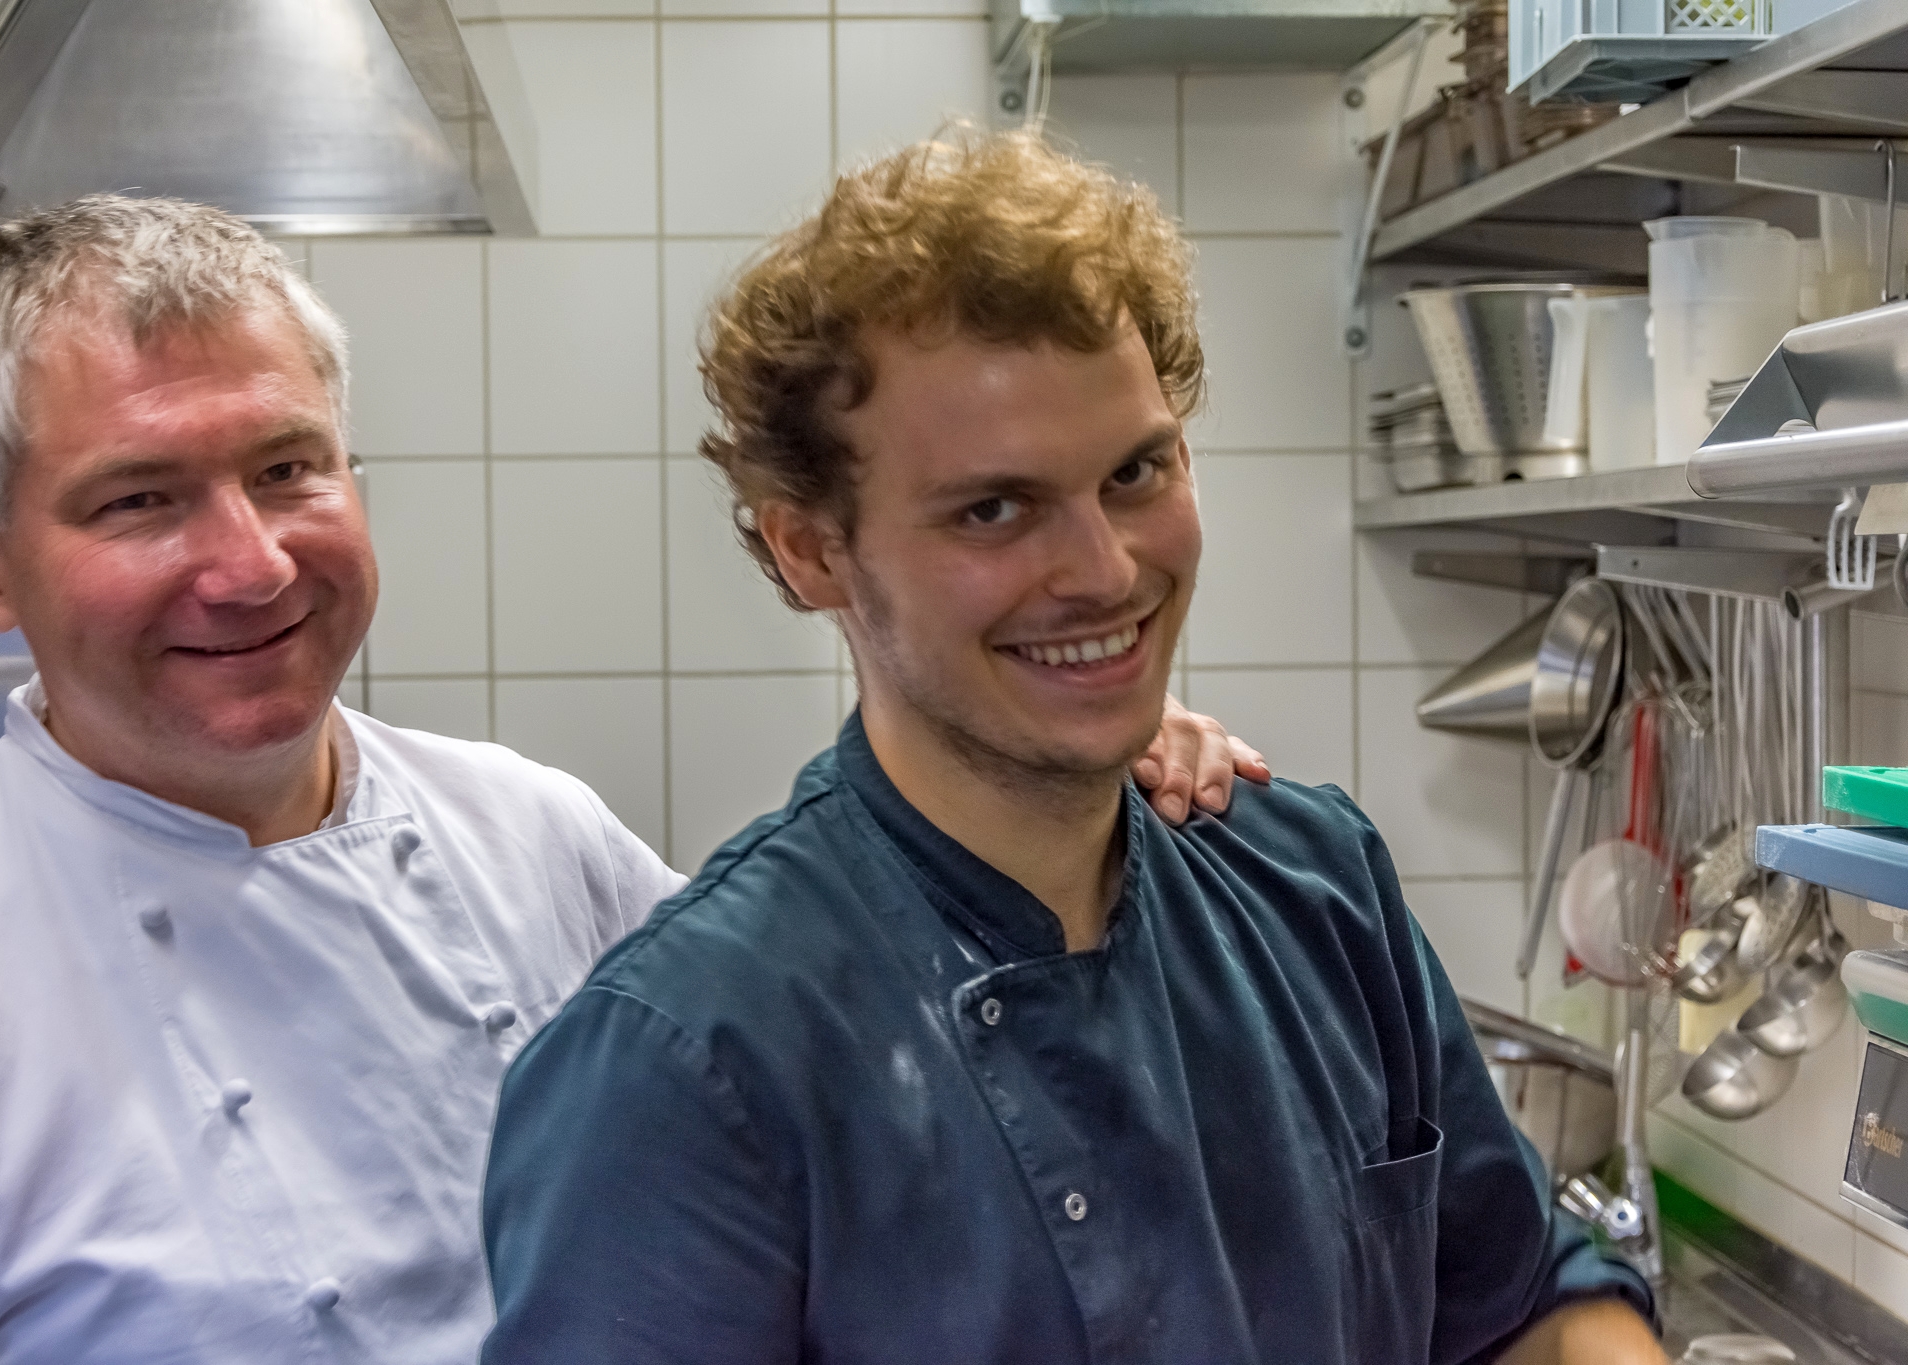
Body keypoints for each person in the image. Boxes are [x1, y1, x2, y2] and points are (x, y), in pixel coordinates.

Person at [0, 194, 1259, 1363]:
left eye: (289, 468)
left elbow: (835, 1068)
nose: (251, 564)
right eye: (141, 498)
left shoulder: (530, 832)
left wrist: (1061, 730)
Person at [479, 131, 1665, 1365]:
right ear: (811, 551)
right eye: (993, 509)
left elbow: (1524, 1305)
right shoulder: (685, 1063)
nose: (1103, 572)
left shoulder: (1312, 885)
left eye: (1135, 472)